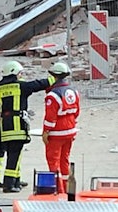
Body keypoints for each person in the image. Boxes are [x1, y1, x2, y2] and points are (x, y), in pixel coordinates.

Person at [0, 60, 51, 193]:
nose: (21, 75)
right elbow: (38, 84)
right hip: (18, 126)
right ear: (15, 73)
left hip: (4, 128)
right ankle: (9, 184)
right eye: (20, 73)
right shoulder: (21, 86)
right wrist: (55, 78)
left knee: (14, 154)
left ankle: (16, 180)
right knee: (14, 155)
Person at [42, 61, 79, 195]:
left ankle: (58, 190)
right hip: (70, 130)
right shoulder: (73, 91)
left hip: (57, 133)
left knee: (53, 162)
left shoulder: (53, 95)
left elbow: (50, 118)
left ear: (54, 76)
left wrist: (46, 132)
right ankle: (67, 189)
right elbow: (76, 112)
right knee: (65, 161)